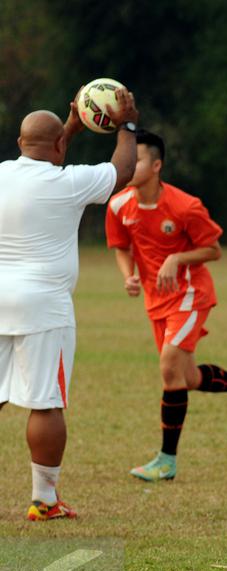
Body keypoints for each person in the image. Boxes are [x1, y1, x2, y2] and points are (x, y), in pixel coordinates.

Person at [105, 129, 227, 482]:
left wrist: (178, 258)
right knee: (185, 377)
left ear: (156, 166)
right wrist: (129, 275)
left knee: (169, 366)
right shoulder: (118, 205)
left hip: (189, 294)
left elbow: (214, 250)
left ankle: (166, 461)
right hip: (156, 299)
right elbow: (121, 246)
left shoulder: (185, 206)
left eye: (136, 160)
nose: (128, 166)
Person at [0, 89, 139, 520]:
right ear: (58, 146)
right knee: (45, 401)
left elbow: (49, 155)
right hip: (44, 305)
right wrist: (128, 124)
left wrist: (71, 125)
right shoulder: (69, 182)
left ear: (21, 143)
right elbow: (123, 171)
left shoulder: (3, 172)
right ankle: (45, 500)